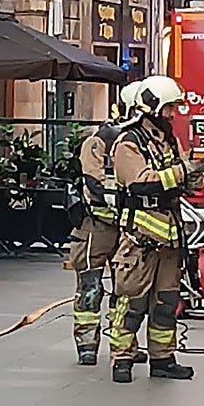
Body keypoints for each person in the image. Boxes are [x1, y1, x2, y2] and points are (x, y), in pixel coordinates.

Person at [107, 75, 204, 384]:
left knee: (166, 303)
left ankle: (163, 359)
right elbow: (140, 181)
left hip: (169, 236)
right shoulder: (128, 142)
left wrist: (195, 177)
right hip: (140, 238)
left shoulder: (169, 140)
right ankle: (122, 359)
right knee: (131, 302)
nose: (173, 114)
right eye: (169, 108)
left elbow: (181, 176)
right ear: (151, 107)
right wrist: (182, 172)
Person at [70, 81, 148, 366]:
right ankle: (87, 343)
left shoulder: (138, 142)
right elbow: (94, 182)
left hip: (128, 227)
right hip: (96, 227)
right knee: (91, 286)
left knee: (126, 289)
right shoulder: (97, 143)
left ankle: (124, 345)